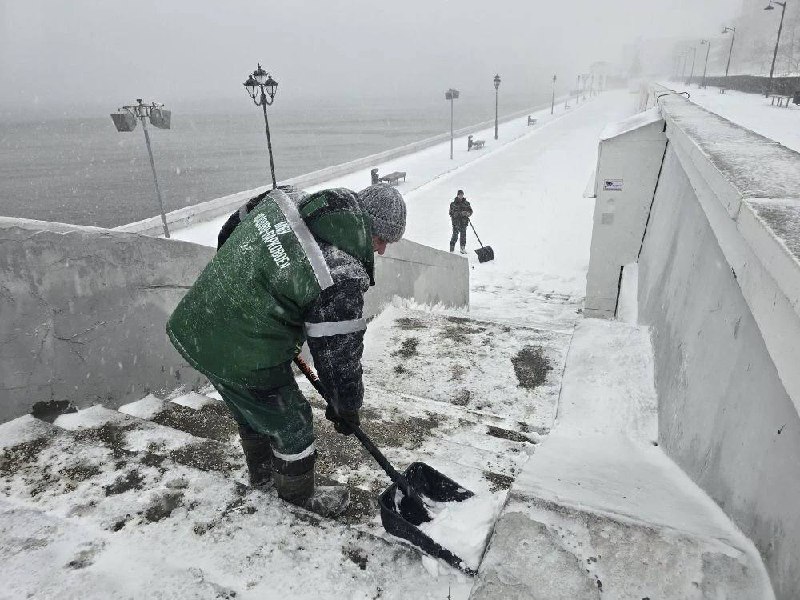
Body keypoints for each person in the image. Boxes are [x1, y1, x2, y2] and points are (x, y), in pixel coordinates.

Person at [166, 183, 406, 518]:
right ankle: (296, 502)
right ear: (369, 228)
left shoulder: (286, 199)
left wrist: (250, 292)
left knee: (255, 409)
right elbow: (338, 359)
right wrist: (346, 406)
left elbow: (230, 230)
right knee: (293, 423)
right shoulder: (339, 274)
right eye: (382, 240)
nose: (380, 250)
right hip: (242, 349)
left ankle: (263, 479)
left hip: (198, 322)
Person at [449, 189, 473, 254]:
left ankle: (462, 249)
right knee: (455, 236)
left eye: (462, 195)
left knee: (463, 236)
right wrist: (461, 213)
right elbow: (451, 213)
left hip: (464, 223)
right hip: (456, 223)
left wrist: (468, 213)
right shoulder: (453, 204)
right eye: (460, 195)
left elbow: (470, 211)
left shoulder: (466, 203)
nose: (461, 196)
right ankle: (451, 249)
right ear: (457, 195)